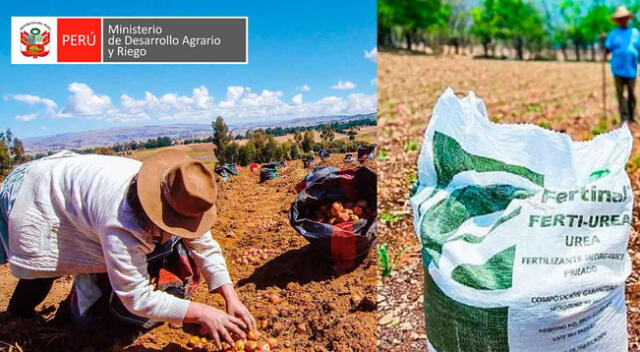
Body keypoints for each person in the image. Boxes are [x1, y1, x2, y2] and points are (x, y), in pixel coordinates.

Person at [0, 149, 255, 350]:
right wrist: (203, 313)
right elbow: (136, 296)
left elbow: (204, 245)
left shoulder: (179, 194)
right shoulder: (121, 222)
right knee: (46, 264)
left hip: (73, 189)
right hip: (35, 192)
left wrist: (230, 297)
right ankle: (17, 317)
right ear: (159, 212)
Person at [602, 6, 640, 122]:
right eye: (621, 19)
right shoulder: (613, 34)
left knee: (631, 94)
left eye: (625, 18)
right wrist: (602, 42)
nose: (623, 20)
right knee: (620, 95)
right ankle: (624, 117)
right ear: (618, 21)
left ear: (628, 19)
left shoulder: (635, 32)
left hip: (631, 68)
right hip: (618, 68)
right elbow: (608, 48)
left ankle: (632, 116)